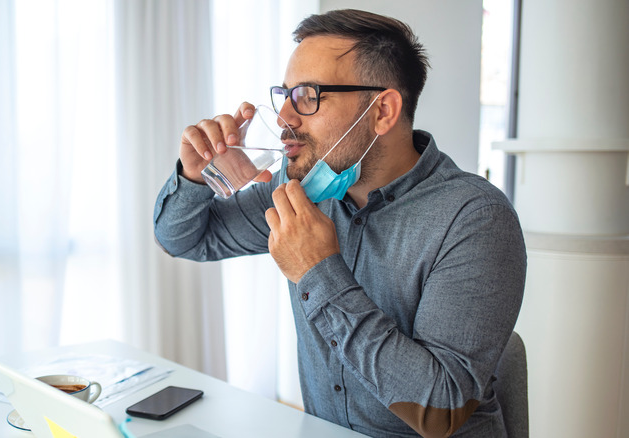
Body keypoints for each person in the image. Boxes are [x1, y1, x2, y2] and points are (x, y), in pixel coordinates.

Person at [153, 9, 526, 438]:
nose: (284, 118)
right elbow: (184, 238)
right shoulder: (302, 191)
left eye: (308, 96)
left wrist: (318, 271)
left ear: (382, 110)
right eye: (285, 95)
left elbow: (441, 408)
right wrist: (194, 176)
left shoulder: (475, 219)